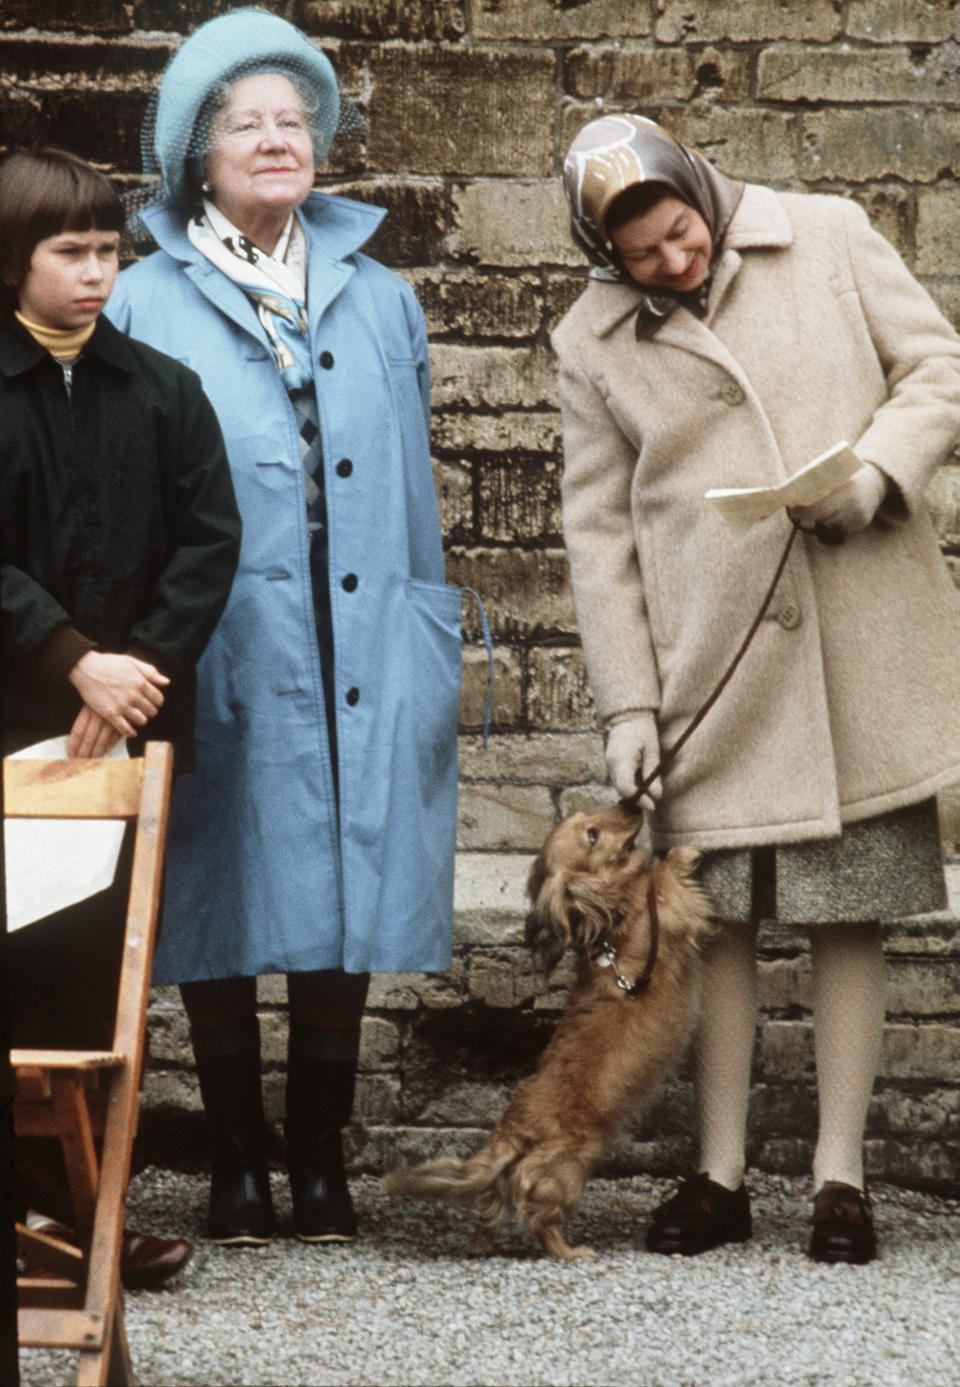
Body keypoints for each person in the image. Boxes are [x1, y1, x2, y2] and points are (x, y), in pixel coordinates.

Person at [554, 113, 960, 1263]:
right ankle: (717, 1171)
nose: (674, 264)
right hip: (709, 663)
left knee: (848, 910)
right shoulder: (590, 340)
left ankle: (842, 1175)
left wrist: (879, 469)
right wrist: (629, 706)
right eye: (643, 257)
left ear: (703, 193)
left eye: (681, 234)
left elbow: (939, 368)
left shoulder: (829, 237)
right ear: (604, 256)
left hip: (854, 642)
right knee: (713, 922)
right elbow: (600, 536)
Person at [106, 7, 463, 1247]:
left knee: (345, 875)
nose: (276, 141)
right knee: (217, 874)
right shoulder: (144, 297)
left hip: (362, 615)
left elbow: (416, 483)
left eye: (294, 120)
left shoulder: (379, 294)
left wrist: (430, 634)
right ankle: (235, 1166)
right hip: (217, 625)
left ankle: (322, 1164)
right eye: (246, 124)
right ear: (195, 157)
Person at [0, 146, 242, 1286]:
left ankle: (83, 1213)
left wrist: (134, 669)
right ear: (16, 256)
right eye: (71, 252)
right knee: (14, 970)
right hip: (12, 730)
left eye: (109, 250)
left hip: (122, 734)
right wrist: (70, 661)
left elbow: (209, 543)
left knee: (97, 982)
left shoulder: (163, 391)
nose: (97, 273)